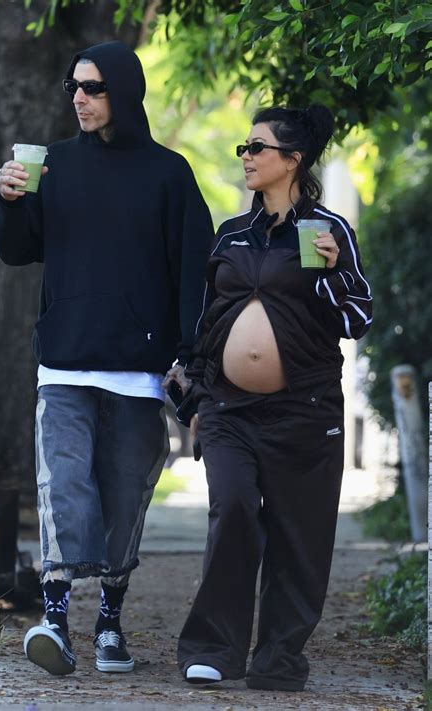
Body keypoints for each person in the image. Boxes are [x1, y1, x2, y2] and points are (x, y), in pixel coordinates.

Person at [0, 40, 213, 677]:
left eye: (92, 87)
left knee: (123, 503)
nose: (80, 99)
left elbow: (191, 274)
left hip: (141, 374)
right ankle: (55, 621)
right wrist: (8, 203)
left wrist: (188, 358)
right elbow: (17, 250)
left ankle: (109, 625)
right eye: (73, 88)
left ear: (124, 91)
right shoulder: (53, 165)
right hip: (63, 364)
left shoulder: (169, 174)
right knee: (64, 491)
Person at [176, 104, 373, 692]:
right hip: (229, 408)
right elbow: (209, 316)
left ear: (293, 160)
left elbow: (358, 317)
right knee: (232, 509)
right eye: (244, 147)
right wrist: (191, 383)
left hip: (304, 411)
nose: (247, 157)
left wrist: (333, 273)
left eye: (257, 148)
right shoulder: (231, 233)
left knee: (299, 534)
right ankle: (213, 647)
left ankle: (279, 659)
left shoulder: (327, 231)